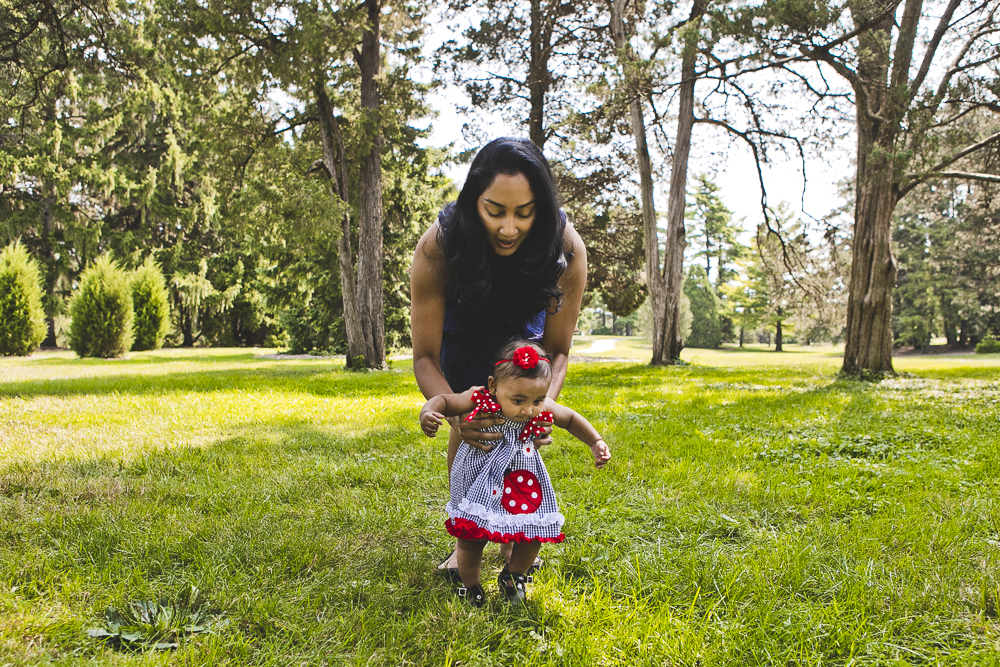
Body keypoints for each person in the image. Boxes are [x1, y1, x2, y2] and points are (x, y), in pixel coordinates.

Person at [409, 137, 588, 577]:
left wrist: (538, 409)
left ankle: (515, 534)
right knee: (478, 423)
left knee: (515, 431)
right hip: (464, 329)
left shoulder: (566, 248)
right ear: (474, 203)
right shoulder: (440, 246)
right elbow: (424, 357)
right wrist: (454, 414)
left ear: (541, 210)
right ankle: (465, 540)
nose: (509, 229)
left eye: (524, 214)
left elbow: (559, 350)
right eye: (495, 212)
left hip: (525, 338)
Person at [420, 341, 610, 605]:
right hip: (480, 478)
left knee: (532, 532)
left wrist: (595, 441)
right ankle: (471, 585)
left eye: (538, 400)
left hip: (521, 481)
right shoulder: (479, 398)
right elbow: (444, 400)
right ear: (494, 385)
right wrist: (429, 411)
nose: (529, 410)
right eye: (518, 401)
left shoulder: (538, 407)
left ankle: (513, 576)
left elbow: (570, 418)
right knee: (472, 537)